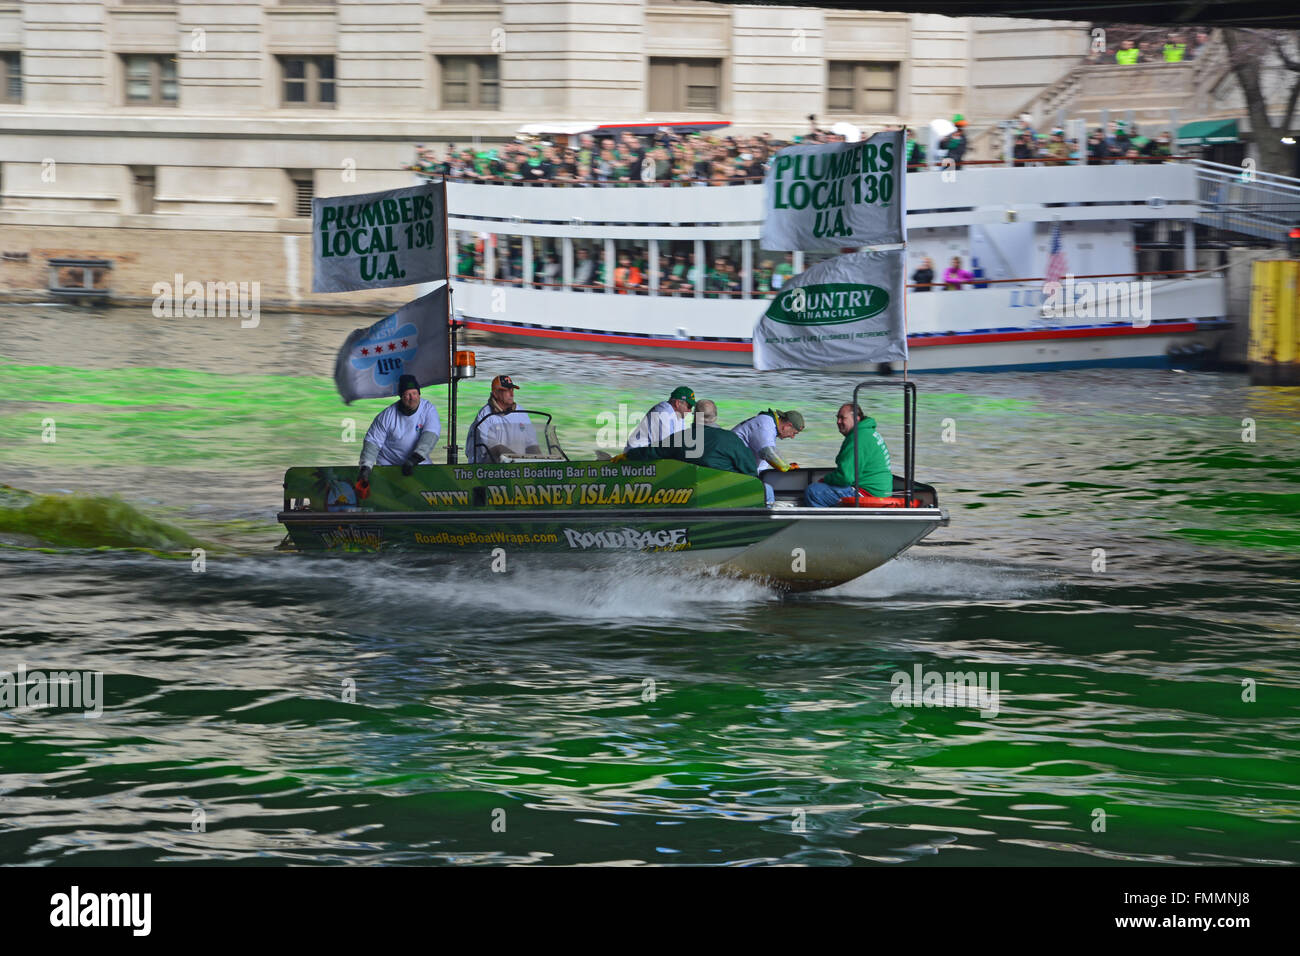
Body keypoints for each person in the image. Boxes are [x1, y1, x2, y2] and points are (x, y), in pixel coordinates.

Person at [625, 399, 771, 503]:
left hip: (685, 497)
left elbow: (649, 452)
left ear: (695, 418)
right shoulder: (731, 440)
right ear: (715, 418)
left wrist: (625, 456)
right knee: (767, 489)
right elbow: (751, 472)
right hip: (723, 498)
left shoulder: (679, 438)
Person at [355, 374, 441, 491]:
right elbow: (372, 442)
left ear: (419, 394)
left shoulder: (428, 409)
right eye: (407, 394)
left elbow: (431, 435)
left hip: (418, 461)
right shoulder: (386, 415)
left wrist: (414, 459)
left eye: (415, 393)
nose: (412, 398)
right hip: (389, 465)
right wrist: (365, 468)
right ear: (401, 396)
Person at [803, 404, 893, 507]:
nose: (838, 422)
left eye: (842, 418)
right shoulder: (869, 432)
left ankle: (828, 522)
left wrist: (826, 479)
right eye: (837, 418)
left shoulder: (858, 438)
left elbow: (845, 477)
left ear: (857, 418)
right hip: (881, 492)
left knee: (813, 491)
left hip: (866, 493)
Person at [466, 374, 541, 463]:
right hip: (487, 469)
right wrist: (518, 462)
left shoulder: (521, 412)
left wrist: (541, 462)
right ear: (495, 393)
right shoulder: (484, 416)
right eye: (507, 390)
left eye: (512, 390)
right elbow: (493, 450)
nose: (512, 394)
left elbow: (532, 444)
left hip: (518, 468)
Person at [732, 408, 803, 474]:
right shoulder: (766, 426)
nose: (792, 437)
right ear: (788, 426)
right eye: (794, 433)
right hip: (733, 468)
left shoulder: (769, 424)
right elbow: (769, 453)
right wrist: (789, 468)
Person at [625, 386, 695, 452]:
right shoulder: (662, 413)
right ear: (677, 403)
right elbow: (665, 448)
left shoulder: (679, 415)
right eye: (689, 406)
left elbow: (679, 443)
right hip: (634, 456)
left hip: (650, 454)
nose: (690, 410)